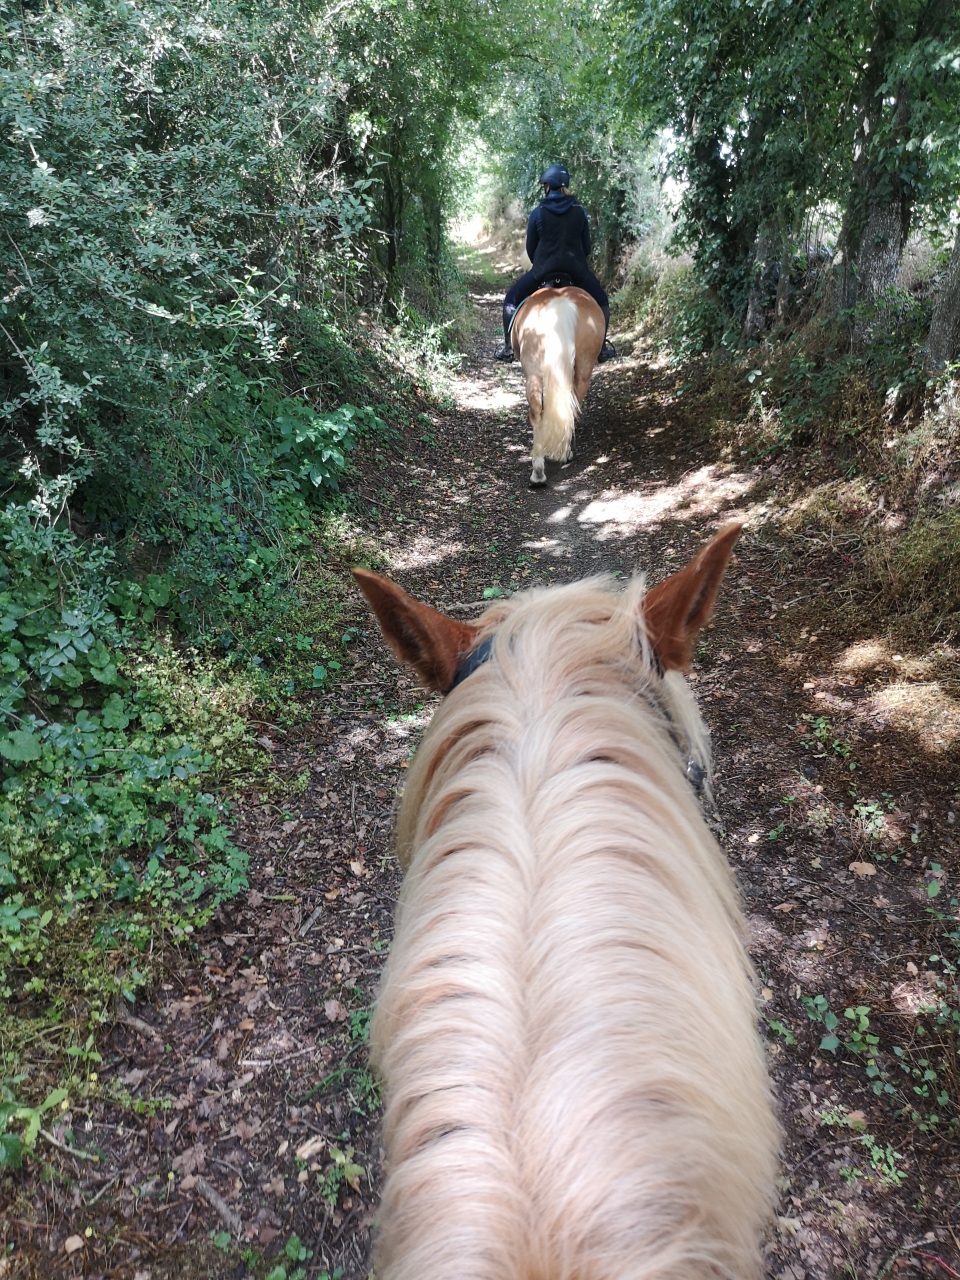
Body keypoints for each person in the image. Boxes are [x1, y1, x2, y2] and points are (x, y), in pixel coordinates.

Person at [494, 164, 616, 363]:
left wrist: (541, 264)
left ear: (548, 186)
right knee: (602, 301)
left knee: (511, 300)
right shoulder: (579, 211)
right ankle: (601, 348)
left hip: (543, 273)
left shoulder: (538, 212)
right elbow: (587, 248)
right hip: (576, 274)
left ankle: (508, 349)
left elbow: (531, 249)